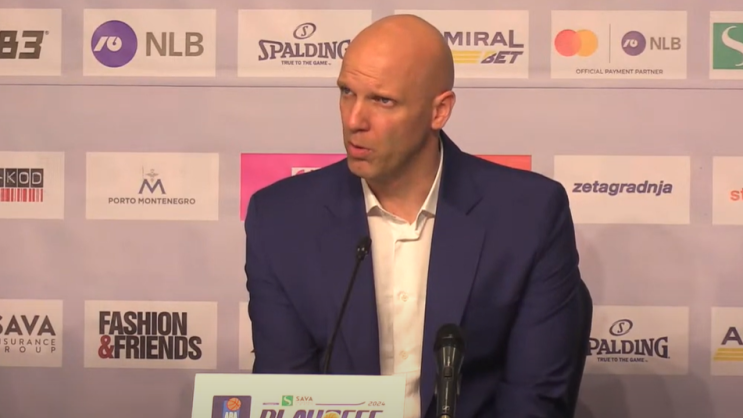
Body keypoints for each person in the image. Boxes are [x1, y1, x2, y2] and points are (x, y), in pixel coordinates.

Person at [245, 14, 592, 418]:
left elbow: (534, 399)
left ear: (439, 111)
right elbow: (285, 391)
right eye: (347, 93)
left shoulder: (528, 215)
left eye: (382, 100)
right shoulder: (281, 220)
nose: (354, 120)